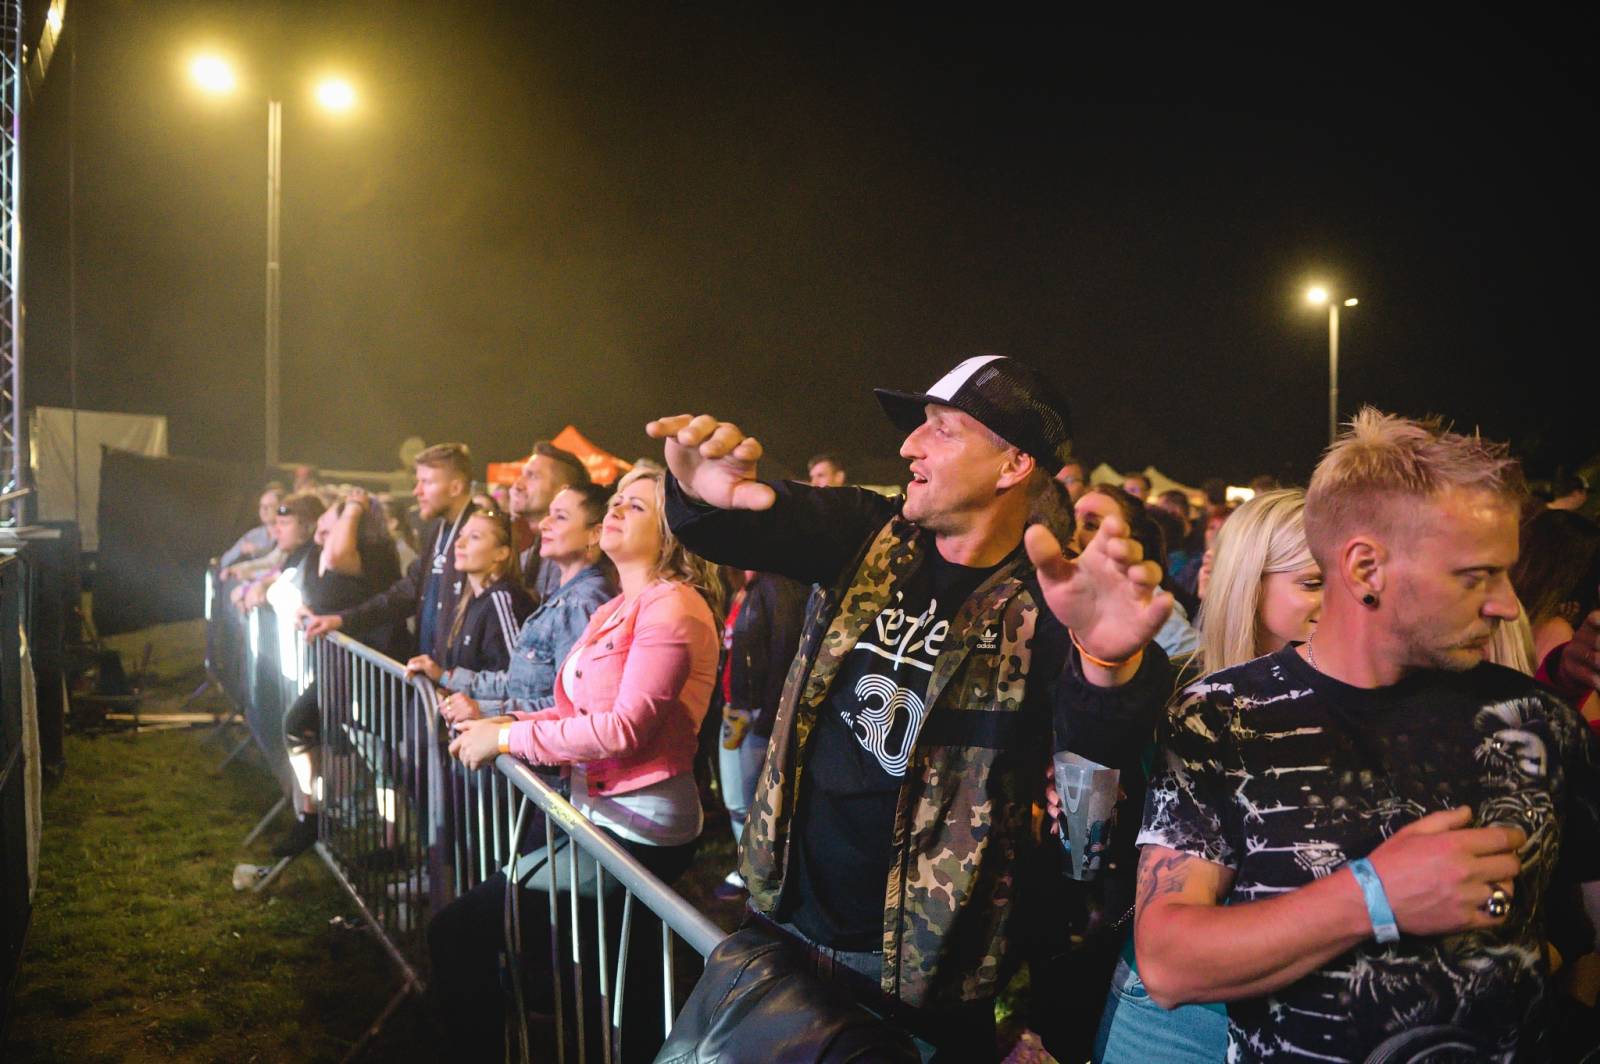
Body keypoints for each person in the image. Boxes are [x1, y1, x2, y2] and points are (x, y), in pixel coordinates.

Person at [646, 353, 1174, 1061]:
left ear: (1013, 465)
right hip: (783, 926)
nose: (908, 447)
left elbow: (1095, 765)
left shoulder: (1048, 600)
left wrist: (1107, 662)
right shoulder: (867, 535)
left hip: (913, 982)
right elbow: (746, 523)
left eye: (942, 430)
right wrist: (693, 491)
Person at [1133, 408, 1600, 1062]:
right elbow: (1169, 963)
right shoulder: (1225, 716)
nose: (1504, 605)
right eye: (1476, 576)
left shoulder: (1537, 720)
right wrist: (1374, 896)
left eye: (1505, 573)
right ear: (1365, 570)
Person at [430, 467, 722, 1063]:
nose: (614, 510)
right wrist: (506, 725)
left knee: (461, 932)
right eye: (615, 501)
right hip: (599, 818)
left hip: (638, 827)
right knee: (625, 983)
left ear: (671, 532)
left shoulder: (674, 607)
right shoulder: (616, 606)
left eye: (634, 506)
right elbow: (571, 709)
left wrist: (508, 740)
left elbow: (622, 729)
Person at [1094, 489, 1321, 1063]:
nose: (1340, 603)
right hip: (1175, 1012)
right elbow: (1086, 825)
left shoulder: (1368, 705)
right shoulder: (1176, 693)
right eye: (1313, 583)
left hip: (1310, 1009)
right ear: (1250, 581)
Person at [272, 487, 405, 858]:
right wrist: (299, 608)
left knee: (382, 759)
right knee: (297, 723)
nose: (322, 524)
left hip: (373, 670)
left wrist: (356, 506)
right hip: (337, 670)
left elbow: (337, 555)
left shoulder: (368, 555)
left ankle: (390, 843)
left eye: (333, 517)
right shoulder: (319, 551)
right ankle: (311, 815)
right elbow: (295, 587)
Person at [427, 483, 617, 721]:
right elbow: (520, 682)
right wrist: (447, 677)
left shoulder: (582, 602)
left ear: (595, 534)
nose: (545, 524)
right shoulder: (565, 596)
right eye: (549, 514)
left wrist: (483, 710)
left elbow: (573, 706)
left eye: (560, 517)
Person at [303, 443, 477, 662]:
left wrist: (459, 678)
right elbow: (404, 595)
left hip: (459, 679)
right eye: (417, 482)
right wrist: (341, 620)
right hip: (432, 670)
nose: (417, 492)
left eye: (427, 482)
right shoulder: (437, 531)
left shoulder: (483, 533)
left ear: (455, 487)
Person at [714, 567, 807, 900]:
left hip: (757, 714)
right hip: (735, 710)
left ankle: (760, 872)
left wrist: (769, 717)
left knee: (754, 798)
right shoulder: (744, 588)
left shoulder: (775, 585)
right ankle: (748, 865)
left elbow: (785, 653)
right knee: (736, 799)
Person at [407, 509, 534, 683]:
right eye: (460, 535)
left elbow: (517, 678)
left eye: (475, 537)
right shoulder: (473, 599)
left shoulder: (501, 599)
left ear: (501, 553)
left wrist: (444, 678)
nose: (459, 543)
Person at [508, 440, 592, 598]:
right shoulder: (528, 555)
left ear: (563, 491)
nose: (517, 485)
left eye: (532, 476)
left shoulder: (574, 561)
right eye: (521, 475)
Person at [219, 485, 286, 568]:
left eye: (269, 506)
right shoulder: (253, 535)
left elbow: (277, 563)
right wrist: (240, 550)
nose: (264, 509)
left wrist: (257, 552)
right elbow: (224, 561)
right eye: (261, 506)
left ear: (280, 508)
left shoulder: (287, 534)